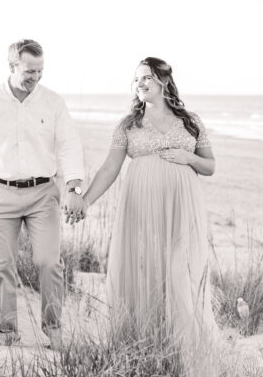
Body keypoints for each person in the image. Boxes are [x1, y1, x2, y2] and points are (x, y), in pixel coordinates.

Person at [80, 57, 216, 352]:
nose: (139, 84)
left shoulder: (190, 122)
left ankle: (184, 345)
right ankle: (146, 343)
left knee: (180, 270)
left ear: (164, 81)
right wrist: (85, 201)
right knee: (146, 269)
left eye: (146, 78)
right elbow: (109, 169)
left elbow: (210, 166)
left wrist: (188, 158)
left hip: (182, 209)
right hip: (141, 209)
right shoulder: (128, 125)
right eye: (137, 79)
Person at [0, 39, 86, 344]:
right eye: (30, 71)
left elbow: (69, 144)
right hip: (0, 195)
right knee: (1, 265)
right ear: (12, 66)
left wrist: (73, 187)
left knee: (48, 262)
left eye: (40, 70)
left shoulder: (53, 102)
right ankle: (6, 333)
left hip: (43, 193)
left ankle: (54, 330)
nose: (36, 77)